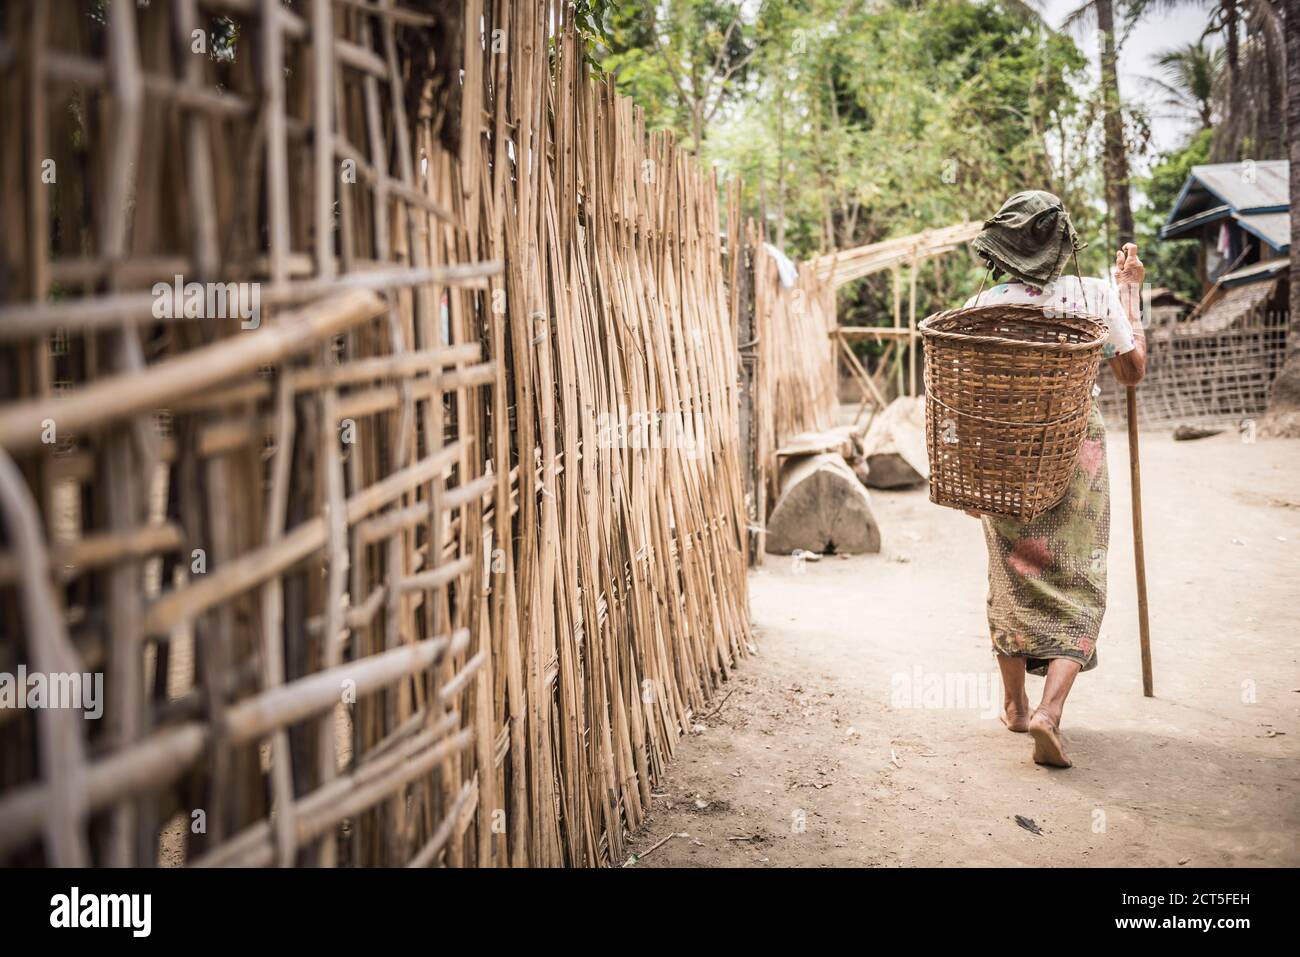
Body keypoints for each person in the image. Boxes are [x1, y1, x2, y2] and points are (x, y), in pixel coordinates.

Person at [962, 190, 1147, 768]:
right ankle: (1050, 713)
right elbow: (1131, 371)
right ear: (1062, 245)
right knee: (1080, 575)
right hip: (1076, 450)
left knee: (1012, 575)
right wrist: (1129, 294)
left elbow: (965, 393)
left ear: (1004, 250)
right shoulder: (1092, 295)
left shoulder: (982, 306)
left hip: (1005, 452)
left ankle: (1015, 708)